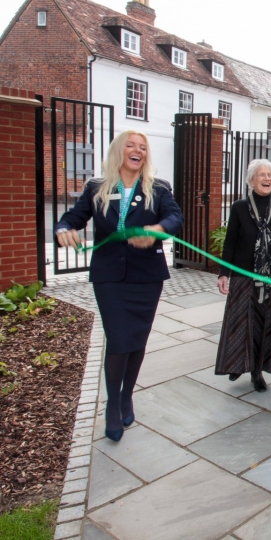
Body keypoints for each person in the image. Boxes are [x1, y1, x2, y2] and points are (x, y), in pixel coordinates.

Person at [55, 130, 183, 442]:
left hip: (146, 277)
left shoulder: (159, 188)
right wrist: (63, 229)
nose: (137, 150)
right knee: (118, 338)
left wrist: (156, 229)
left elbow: (175, 218)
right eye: (131, 145)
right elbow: (73, 218)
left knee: (136, 339)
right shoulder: (97, 188)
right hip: (109, 276)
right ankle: (113, 404)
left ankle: (127, 396)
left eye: (143, 147)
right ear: (119, 151)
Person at [215, 159, 271, 391]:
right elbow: (230, 242)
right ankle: (238, 364)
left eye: (270, 175)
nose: (267, 178)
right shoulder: (239, 206)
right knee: (240, 324)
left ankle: (257, 371)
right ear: (251, 180)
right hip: (243, 275)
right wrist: (224, 273)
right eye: (262, 175)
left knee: (265, 325)